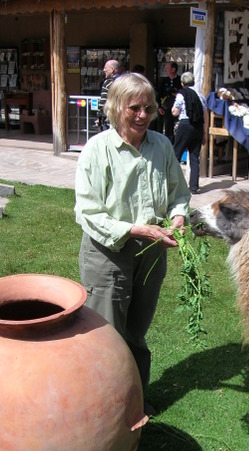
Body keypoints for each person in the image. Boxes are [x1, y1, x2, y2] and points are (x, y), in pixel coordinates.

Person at [75, 73, 191, 413]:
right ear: (115, 108)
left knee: (136, 331)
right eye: (134, 108)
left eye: (149, 107)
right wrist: (139, 231)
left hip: (151, 253)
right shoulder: (98, 150)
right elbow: (89, 211)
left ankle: (135, 402)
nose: (143, 115)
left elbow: (179, 194)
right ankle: (102, 409)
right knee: (106, 335)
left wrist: (179, 216)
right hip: (107, 252)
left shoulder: (162, 145)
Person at [172, 71, 208, 194]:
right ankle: (194, 187)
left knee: (175, 155)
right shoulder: (201, 95)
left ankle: (173, 184)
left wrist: (172, 110)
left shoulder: (181, 94)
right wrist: (204, 133)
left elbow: (176, 112)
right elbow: (204, 115)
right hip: (198, 127)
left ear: (182, 83)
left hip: (185, 125)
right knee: (194, 158)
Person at [157, 61, 181, 141]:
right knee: (167, 127)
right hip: (166, 108)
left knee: (177, 128)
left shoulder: (179, 80)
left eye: (167, 68)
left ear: (173, 69)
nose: (165, 69)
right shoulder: (164, 81)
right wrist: (159, 106)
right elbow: (159, 94)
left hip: (177, 108)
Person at [96, 59, 121, 131]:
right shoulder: (124, 82)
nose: (104, 70)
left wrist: (99, 117)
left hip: (109, 118)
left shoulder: (108, 82)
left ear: (112, 69)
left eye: (106, 68)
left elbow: (103, 102)